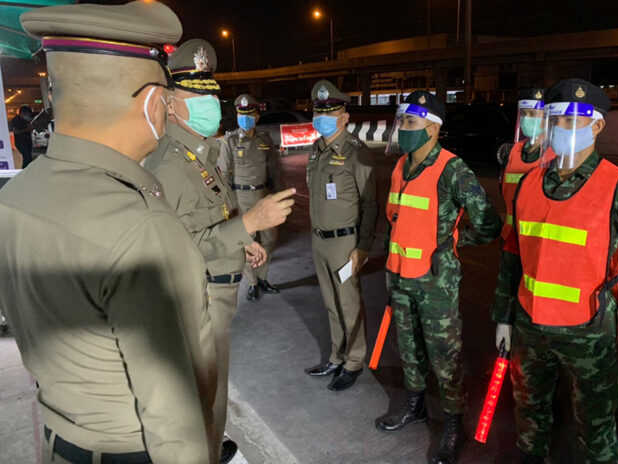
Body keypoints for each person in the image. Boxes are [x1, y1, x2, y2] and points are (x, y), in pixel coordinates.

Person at [0, 2, 221, 463]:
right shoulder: (140, 227)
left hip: (60, 443)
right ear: (151, 102)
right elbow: (174, 418)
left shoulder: (16, 197)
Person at [492, 77, 618, 464]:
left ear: (596, 126)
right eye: (554, 120)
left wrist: (616, 284)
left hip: (588, 334)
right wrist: (504, 317)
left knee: (596, 429)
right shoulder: (530, 183)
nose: (559, 130)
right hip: (531, 327)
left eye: (571, 121)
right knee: (529, 417)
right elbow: (512, 254)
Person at [144, 39, 295, 463]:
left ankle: (210, 446)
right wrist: (250, 223)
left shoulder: (198, 153)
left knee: (214, 392)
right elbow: (176, 248)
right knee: (201, 396)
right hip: (200, 300)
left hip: (219, 296)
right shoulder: (169, 165)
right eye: (199, 94)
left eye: (213, 93)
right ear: (171, 102)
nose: (212, 102)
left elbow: (211, 215)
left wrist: (243, 242)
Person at [375, 91, 502, 464]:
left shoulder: (452, 169)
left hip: (435, 282)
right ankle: (414, 406)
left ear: (433, 128)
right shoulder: (400, 166)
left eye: (411, 123)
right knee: (410, 349)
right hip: (400, 276)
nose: (404, 130)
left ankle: (453, 427)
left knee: (444, 357)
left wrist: (452, 243)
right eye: (402, 123)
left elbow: (488, 224)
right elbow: (395, 220)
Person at [304, 79, 377, 391]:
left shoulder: (356, 154)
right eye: (319, 111)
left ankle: (354, 360)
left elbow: (371, 204)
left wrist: (362, 247)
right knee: (331, 303)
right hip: (319, 240)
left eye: (330, 111)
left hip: (345, 243)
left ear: (345, 117)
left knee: (349, 304)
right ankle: (336, 355)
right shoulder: (317, 150)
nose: (322, 117)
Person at [219, 94, 281, 301]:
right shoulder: (230, 140)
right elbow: (223, 174)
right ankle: (252, 283)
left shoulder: (265, 140)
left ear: (256, 116)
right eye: (240, 114)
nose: (244, 118)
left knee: (270, 239)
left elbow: (274, 170)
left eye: (248, 114)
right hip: (241, 197)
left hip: (263, 195)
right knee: (246, 240)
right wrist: (228, 206)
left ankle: (262, 278)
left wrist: (278, 196)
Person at [500, 88, 545, 239]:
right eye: (524, 114)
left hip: (536, 242)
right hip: (510, 236)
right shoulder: (513, 152)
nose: (526, 119)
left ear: (547, 118)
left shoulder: (554, 155)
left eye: (532, 114)